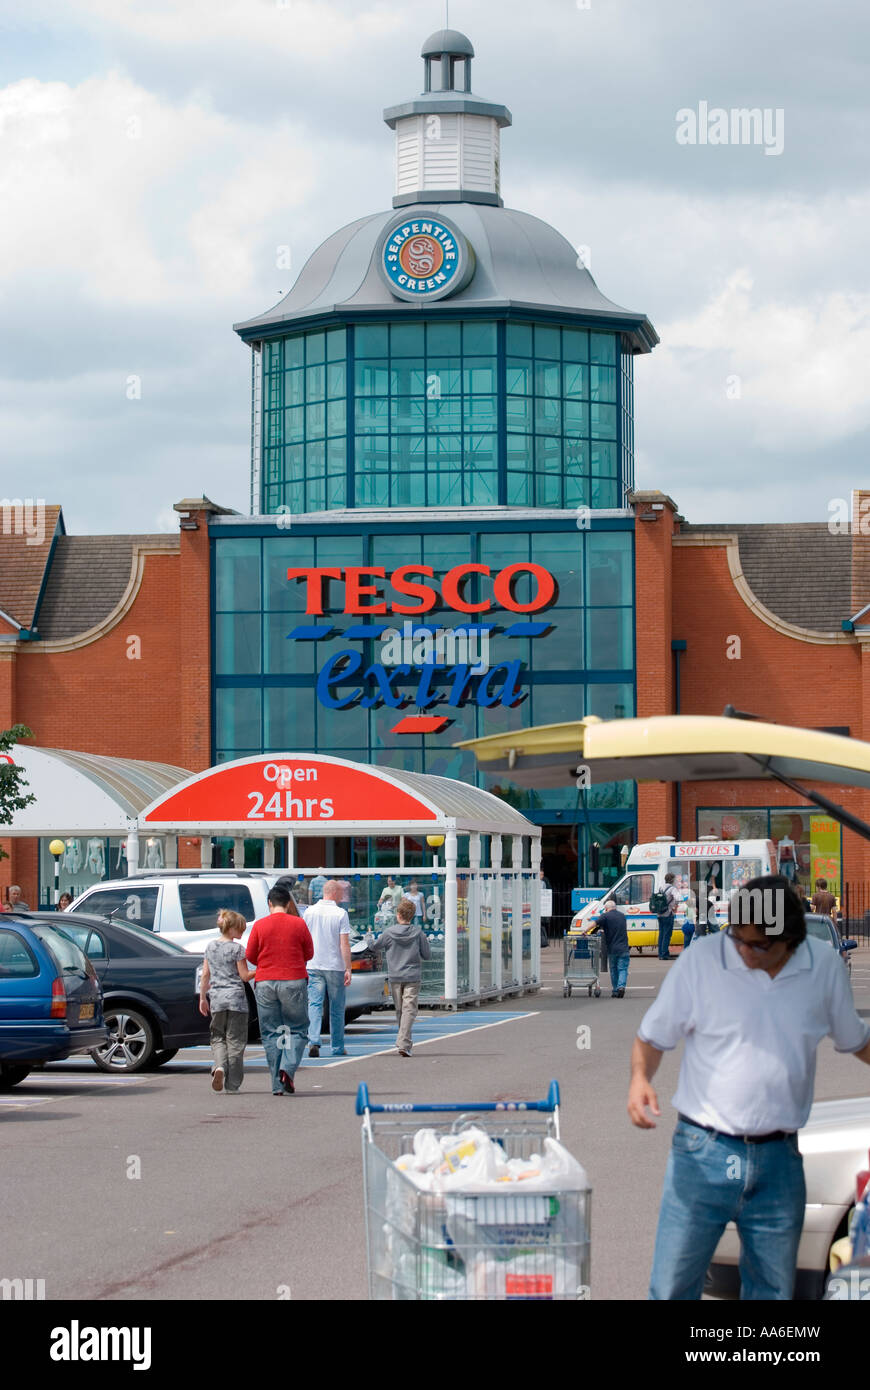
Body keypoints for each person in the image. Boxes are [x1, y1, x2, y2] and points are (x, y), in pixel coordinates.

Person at [628, 874, 870, 1300]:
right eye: (737, 938)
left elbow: (856, 1040)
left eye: (758, 944)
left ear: (791, 941)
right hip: (702, 1152)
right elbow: (652, 1036)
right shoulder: (703, 960)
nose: (743, 951)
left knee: (773, 1290)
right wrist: (640, 1079)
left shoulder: (823, 967)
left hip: (780, 1160)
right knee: (670, 1288)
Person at [245, 884, 313, 1095]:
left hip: (265, 982)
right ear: (289, 904)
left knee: (271, 1032)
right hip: (293, 979)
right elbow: (309, 953)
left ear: (269, 904)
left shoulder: (259, 925)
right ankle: (288, 1068)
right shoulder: (299, 924)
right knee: (298, 1029)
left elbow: (250, 955)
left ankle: (276, 1084)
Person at [199, 909, 256, 1094]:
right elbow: (245, 976)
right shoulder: (237, 949)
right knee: (236, 1041)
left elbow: (205, 975)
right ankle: (233, 1085)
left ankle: (219, 1065)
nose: (242, 933)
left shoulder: (210, 947)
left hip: (216, 999)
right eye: (240, 929)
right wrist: (262, 969)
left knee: (217, 1037)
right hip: (236, 1000)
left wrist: (202, 998)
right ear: (231, 929)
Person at [304, 879, 352, 1058]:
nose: (342, 896)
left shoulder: (309, 912)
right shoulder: (340, 914)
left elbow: (305, 939)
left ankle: (314, 1040)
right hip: (334, 965)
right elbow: (344, 944)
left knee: (315, 1004)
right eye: (340, 893)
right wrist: (348, 968)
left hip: (314, 963)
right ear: (334, 893)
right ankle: (337, 1046)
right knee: (336, 1007)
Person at [378, 897, 431, 1057]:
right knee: (409, 1009)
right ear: (412, 915)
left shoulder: (388, 933)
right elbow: (427, 955)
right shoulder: (418, 933)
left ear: (398, 914)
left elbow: (375, 946)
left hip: (395, 975)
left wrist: (368, 940)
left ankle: (403, 1042)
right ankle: (404, 1043)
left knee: (400, 1010)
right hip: (412, 975)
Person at [590, 898, 630, 998]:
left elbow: (595, 923)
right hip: (624, 947)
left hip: (612, 948)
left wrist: (585, 932)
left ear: (606, 908)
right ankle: (621, 987)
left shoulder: (605, 916)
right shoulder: (622, 916)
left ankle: (616, 990)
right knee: (623, 969)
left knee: (613, 969)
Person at [655, 872, 679, 960]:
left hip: (660, 914)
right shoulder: (672, 889)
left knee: (661, 934)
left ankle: (660, 953)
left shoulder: (661, 887)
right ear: (672, 880)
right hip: (668, 914)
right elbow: (678, 898)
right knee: (667, 935)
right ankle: (665, 954)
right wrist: (674, 906)